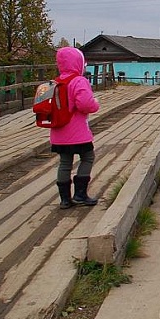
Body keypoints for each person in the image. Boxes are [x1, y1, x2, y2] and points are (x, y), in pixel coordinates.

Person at [51, 46, 101, 209]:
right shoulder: (78, 81)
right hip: (78, 132)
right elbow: (85, 104)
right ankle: (80, 194)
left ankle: (65, 199)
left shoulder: (56, 82)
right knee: (88, 157)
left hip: (59, 132)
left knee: (65, 162)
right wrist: (96, 105)